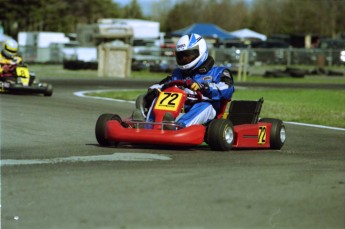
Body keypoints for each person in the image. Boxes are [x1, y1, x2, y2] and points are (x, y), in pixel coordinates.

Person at [135, 33, 235, 128]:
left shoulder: (218, 72)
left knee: (205, 106)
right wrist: (153, 91)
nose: (184, 59)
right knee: (158, 98)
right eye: (181, 56)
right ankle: (149, 124)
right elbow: (161, 85)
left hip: (207, 111)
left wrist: (204, 87)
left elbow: (228, 89)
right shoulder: (177, 74)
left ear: (200, 52)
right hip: (178, 109)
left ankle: (179, 127)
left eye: (188, 55)